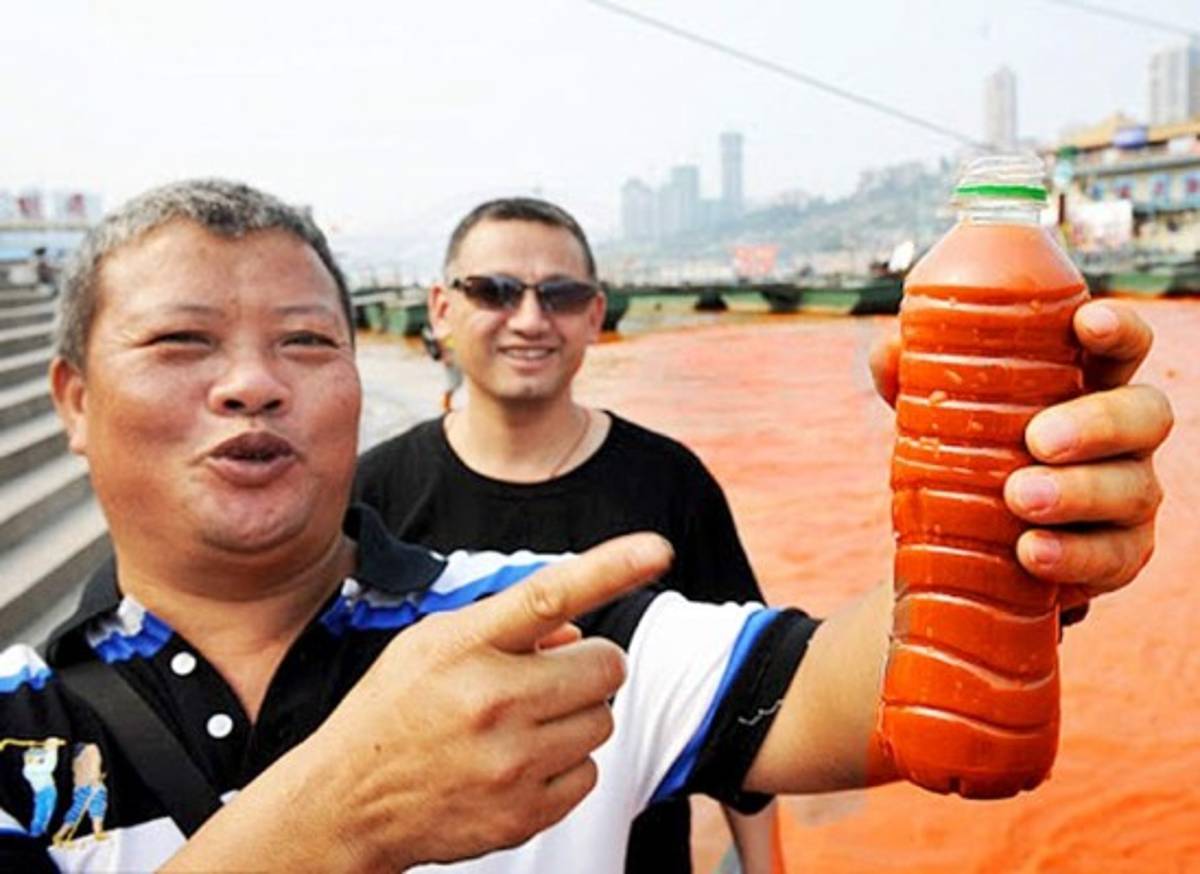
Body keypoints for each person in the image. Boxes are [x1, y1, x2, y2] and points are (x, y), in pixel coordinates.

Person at [0, 179, 1171, 873]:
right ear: (73, 401)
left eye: (307, 342)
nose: (253, 383)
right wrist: (334, 815)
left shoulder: (545, 626)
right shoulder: (20, 732)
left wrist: (1011, 541)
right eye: (182, 341)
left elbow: (856, 686)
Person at [354, 198, 781, 874]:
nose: (529, 319)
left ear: (593, 315)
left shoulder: (671, 483)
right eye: (493, 291)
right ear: (442, 310)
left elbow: (750, 712)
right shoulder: (369, 498)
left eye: (559, 295)